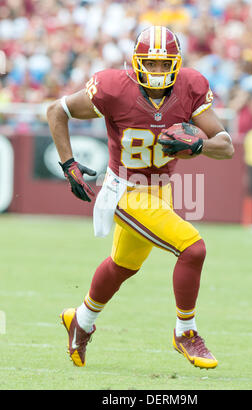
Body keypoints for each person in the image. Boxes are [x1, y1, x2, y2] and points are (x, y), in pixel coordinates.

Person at [47, 25, 234, 369]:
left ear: (177, 64)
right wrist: (68, 163)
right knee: (193, 249)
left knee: (123, 266)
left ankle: (80, 321)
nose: (159, 71)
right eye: (152, 63)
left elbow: (226, 145)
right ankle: (186, 333)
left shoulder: (190, 87)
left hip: (160, 191)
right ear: (136, 62)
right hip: (125, 190)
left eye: (165, 65)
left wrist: (199, 145)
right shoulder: (114, 88)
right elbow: (57, 111)